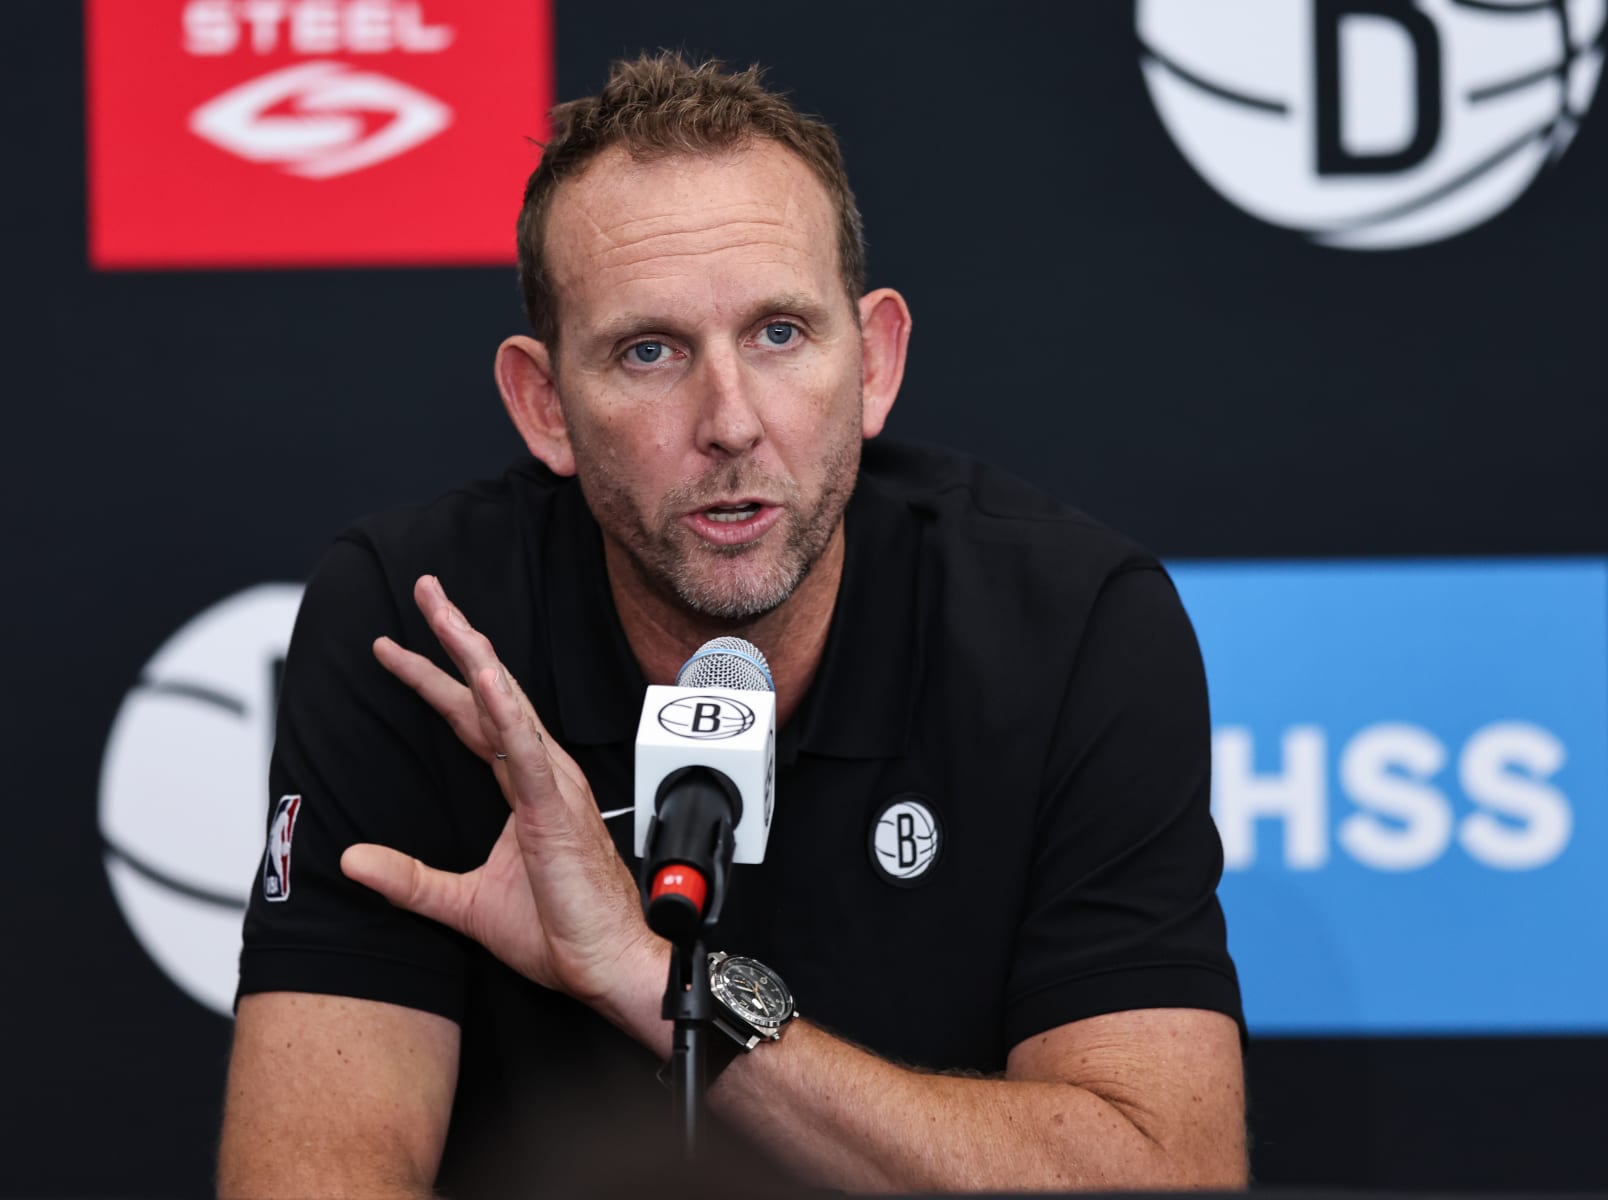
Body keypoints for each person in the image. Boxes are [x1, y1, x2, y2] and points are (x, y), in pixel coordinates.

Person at [218, 53, 1247, 1198]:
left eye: (779, 335)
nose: (729, 423)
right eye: (648, 352)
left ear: (876, 362)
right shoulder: (427, 631)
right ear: (544, 406)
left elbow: (1168, 1174)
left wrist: (644, 974)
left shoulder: (1068, 628)